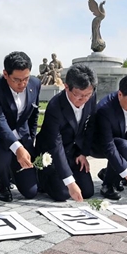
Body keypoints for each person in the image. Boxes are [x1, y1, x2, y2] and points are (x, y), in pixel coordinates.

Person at [0, 51, 41, 202]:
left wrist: (30, 141)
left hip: (23, 137)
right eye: (17, 80)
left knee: (31, 192)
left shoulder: (35, 84)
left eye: (25, 79)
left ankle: (13, 172)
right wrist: (17, 148)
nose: (22, 84)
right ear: (5, 74)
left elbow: (34, 115)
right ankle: (3, 184)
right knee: (4, 152)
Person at [36, 64, 97, 202]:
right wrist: (70, 181)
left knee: (87, 191)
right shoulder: (55, 106)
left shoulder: (91, 97)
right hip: (51, 153)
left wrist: (83, 153)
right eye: (78, 95)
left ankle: (67, 172)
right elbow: (55, 144)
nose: (83, 100)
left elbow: (91, 125)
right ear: (66, 87)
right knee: (63, 194)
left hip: (73, 151)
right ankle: (41, 177)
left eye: (87, 95)